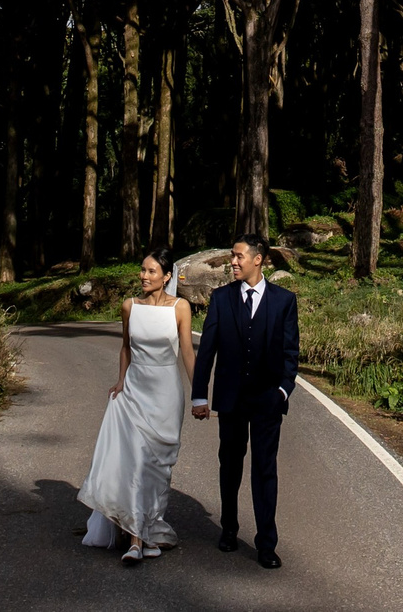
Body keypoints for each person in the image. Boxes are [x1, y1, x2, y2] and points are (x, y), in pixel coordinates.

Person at [77, 251, 195, 564]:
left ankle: (149, 529)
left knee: (158, 468)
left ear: (166, 276)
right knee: (134, 463)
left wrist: (200, 394)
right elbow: (126, 347)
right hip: (134, 392)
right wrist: (119, 382)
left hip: (166, 394)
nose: (144, 276)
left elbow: (187, 352)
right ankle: (135, 539)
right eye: (142, 270)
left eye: (151, 271)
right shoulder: (130, 306)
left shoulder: (180, 308)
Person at [188, 239, 300, 569]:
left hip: (268, 402)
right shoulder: (221, 298)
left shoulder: (284, 301)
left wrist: (282, 392)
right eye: (233, 257)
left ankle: (266, 543)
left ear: (258, 260)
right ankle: (228, 528)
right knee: (230, 466)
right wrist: (199, 395)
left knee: (265, 471)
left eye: (239, 257)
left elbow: (290, 354)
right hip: (231, 400)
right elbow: (206, 350)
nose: (233, 262)